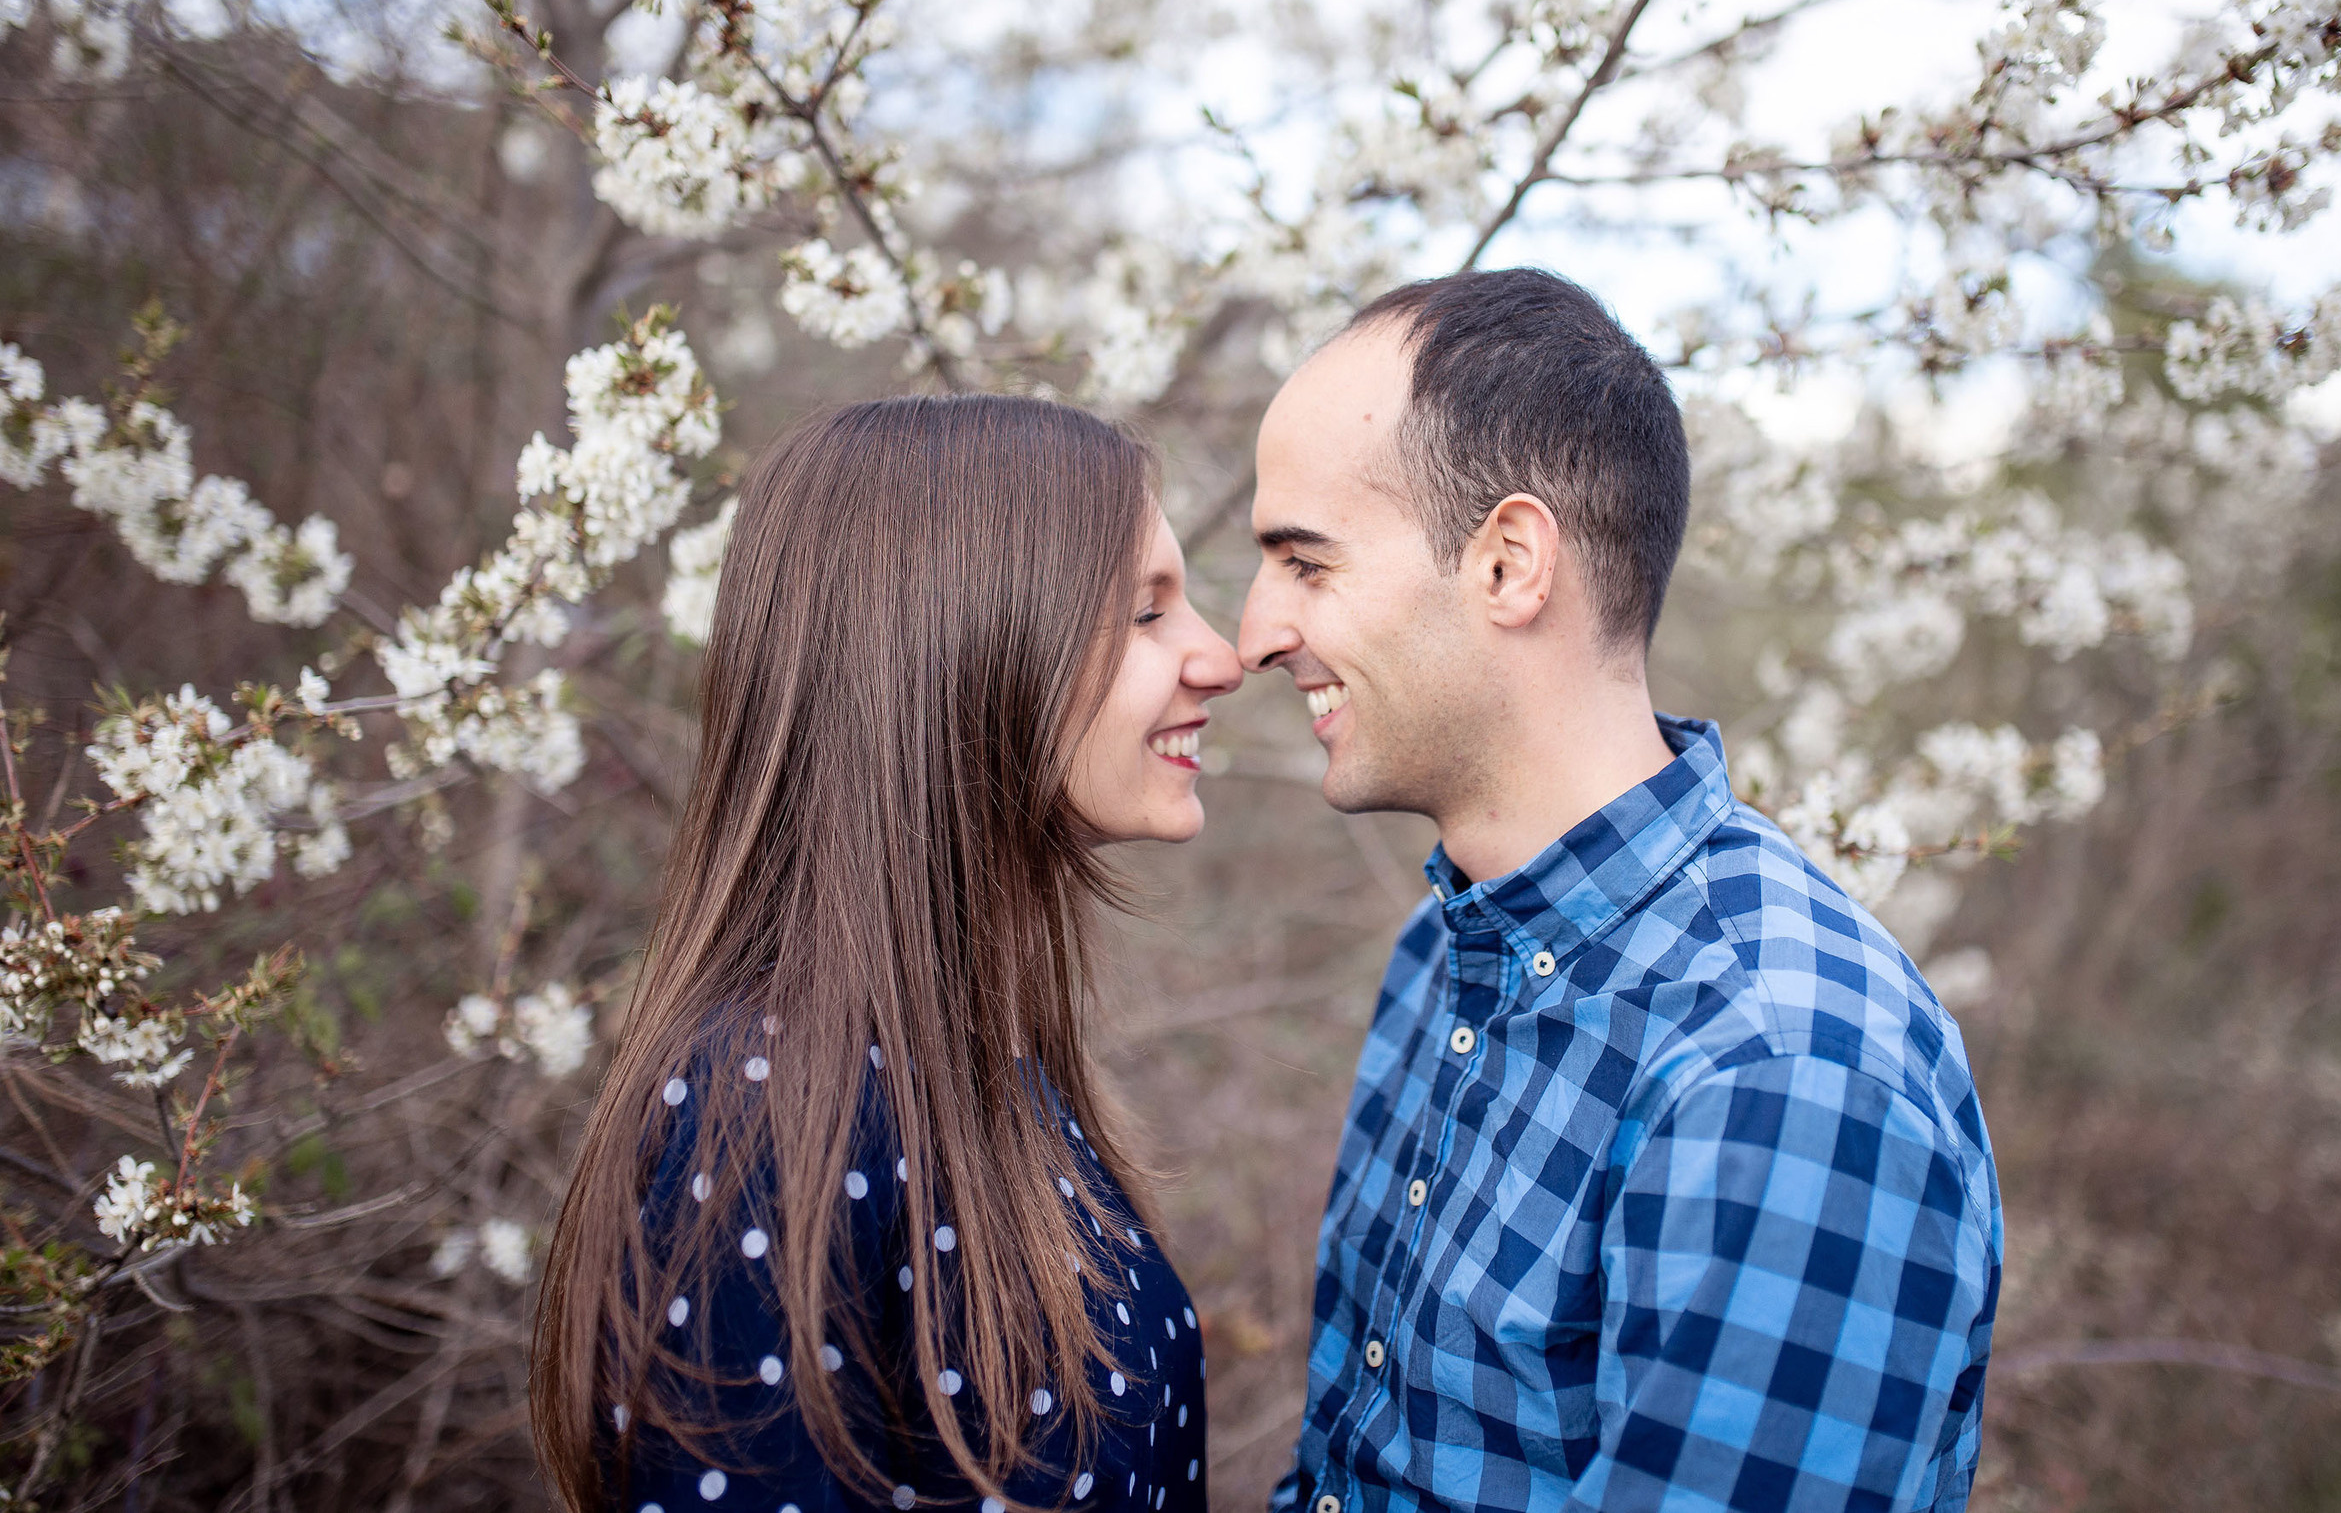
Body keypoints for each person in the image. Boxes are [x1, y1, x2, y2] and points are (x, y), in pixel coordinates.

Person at [1239, 270, 2001, 1513]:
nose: (1255, 630)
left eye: (1305, 563)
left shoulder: (1778, 1072)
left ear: (1508, 563)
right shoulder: (1448, 950)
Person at [531, 395, 1242, 1513]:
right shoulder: (769, 1102)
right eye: (1147, 614)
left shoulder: (994, 1065)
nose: (1221, 655)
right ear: (959, 648)